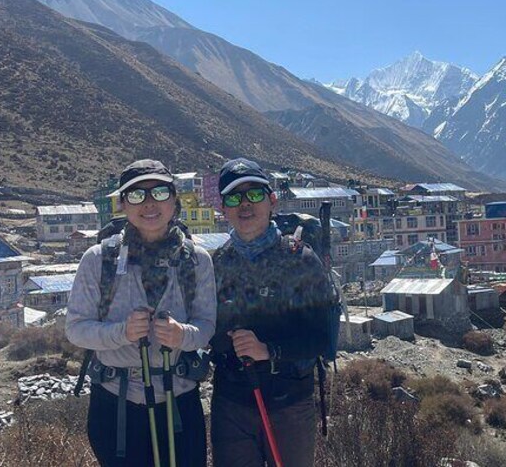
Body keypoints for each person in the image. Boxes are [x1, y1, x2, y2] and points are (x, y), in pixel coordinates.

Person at [66, 159, 216, 467]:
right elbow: (77, 328)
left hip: (179, 400)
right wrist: (121, 332)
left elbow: (206, 324)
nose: (149, 203)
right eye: (136, 195)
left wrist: (182, 335)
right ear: (122, 204)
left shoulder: (197, 260)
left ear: (175, 198)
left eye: (159, 193)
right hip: (115, 404)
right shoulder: (97, 260)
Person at [210, 158, 336, 467]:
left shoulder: (301, 260)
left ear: (272, 201)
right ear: (223, 208)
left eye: (254, 194)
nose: (245, 205)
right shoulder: (217, 263)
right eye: (234, 197)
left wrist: (270, 350)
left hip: (289, 404)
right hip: (231, 404)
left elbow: (323, 339)